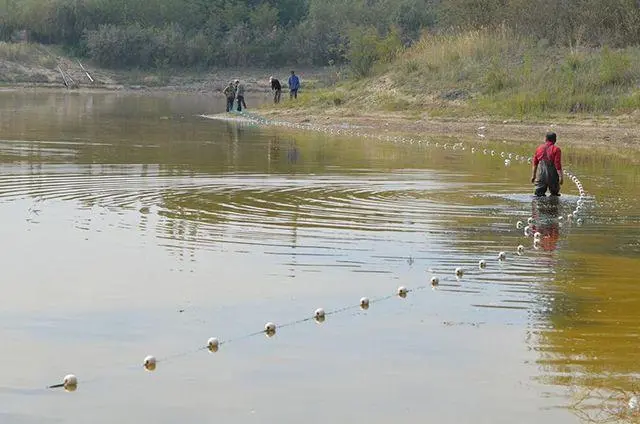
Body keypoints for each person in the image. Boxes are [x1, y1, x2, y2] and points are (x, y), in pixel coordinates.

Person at [531, 131, 563, 196]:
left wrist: (533, 176)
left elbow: (535, 163)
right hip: (553, 177)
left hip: (541, 176)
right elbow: (557, 165)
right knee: (554, 195)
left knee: (538, 196)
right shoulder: (556, 149)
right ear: (555, 140)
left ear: (545, 139)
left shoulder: (539, 148)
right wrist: (561, 177)